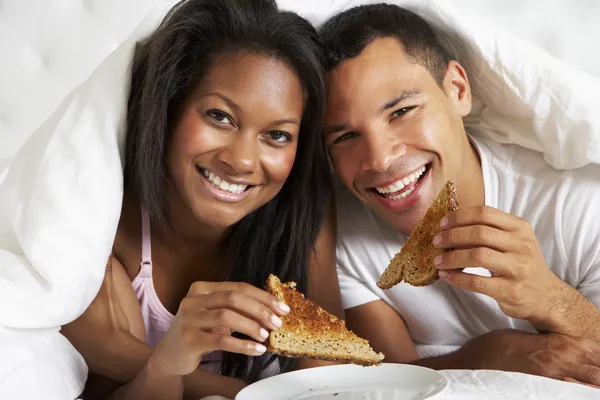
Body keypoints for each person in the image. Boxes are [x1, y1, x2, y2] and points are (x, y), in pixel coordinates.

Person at [60, 0, 342, 399]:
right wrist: (167, 364)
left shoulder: (302, 212)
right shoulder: (105, 230)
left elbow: (327, 373)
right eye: (220, 116)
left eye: (277, 135)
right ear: (170, 108)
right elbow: (106, 379)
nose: (241, 161)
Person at [319, 3, 600, 387]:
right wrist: (491, 354)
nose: (381, 159)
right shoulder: (345, 242)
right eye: (346, 136)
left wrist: (552, 299)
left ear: (458, 90)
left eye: (402, 111)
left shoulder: (579, 205)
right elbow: (387, 382)